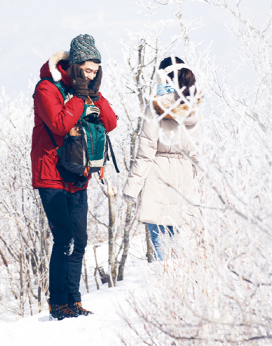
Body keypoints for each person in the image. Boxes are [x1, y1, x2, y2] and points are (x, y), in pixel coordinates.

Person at [31, 34, 117, 320]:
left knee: (79, 240)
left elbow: (111, 122)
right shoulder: (47, 88)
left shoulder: (86, 91)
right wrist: (80, 97)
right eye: (87, 70)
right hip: (51, 176)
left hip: (77, 176)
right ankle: (59, 303)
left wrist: (95, 94)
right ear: (75, 65)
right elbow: (59, 124)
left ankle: (74, 300)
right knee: (64, 239)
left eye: (96, 71)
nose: (91, 75)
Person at [123, 56, 200, 261]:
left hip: (157, 179)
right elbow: (196, 153)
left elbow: (146, 152)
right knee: (175, 244)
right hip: (182, 181)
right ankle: (175, 290)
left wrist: (132, 187)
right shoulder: (193, 108)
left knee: (160, 246)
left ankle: (162, 286)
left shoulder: (155, 107)